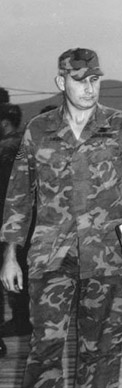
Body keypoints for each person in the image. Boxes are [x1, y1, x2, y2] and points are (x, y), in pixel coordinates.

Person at [0, 48, 122, 388]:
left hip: (108, 257)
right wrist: (10, 254)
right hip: (51, 256)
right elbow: (19, 194)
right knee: (44, 346)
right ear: (61, 81)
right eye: (80, 80)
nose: (89, 87)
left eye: (95, 79)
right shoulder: (38, 130)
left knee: (102, 347)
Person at [0, 103, 32, 358]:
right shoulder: (28, 143)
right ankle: (22, 319)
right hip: (23, 220)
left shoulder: (3, 148)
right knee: (21, 270)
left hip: (5, 218)